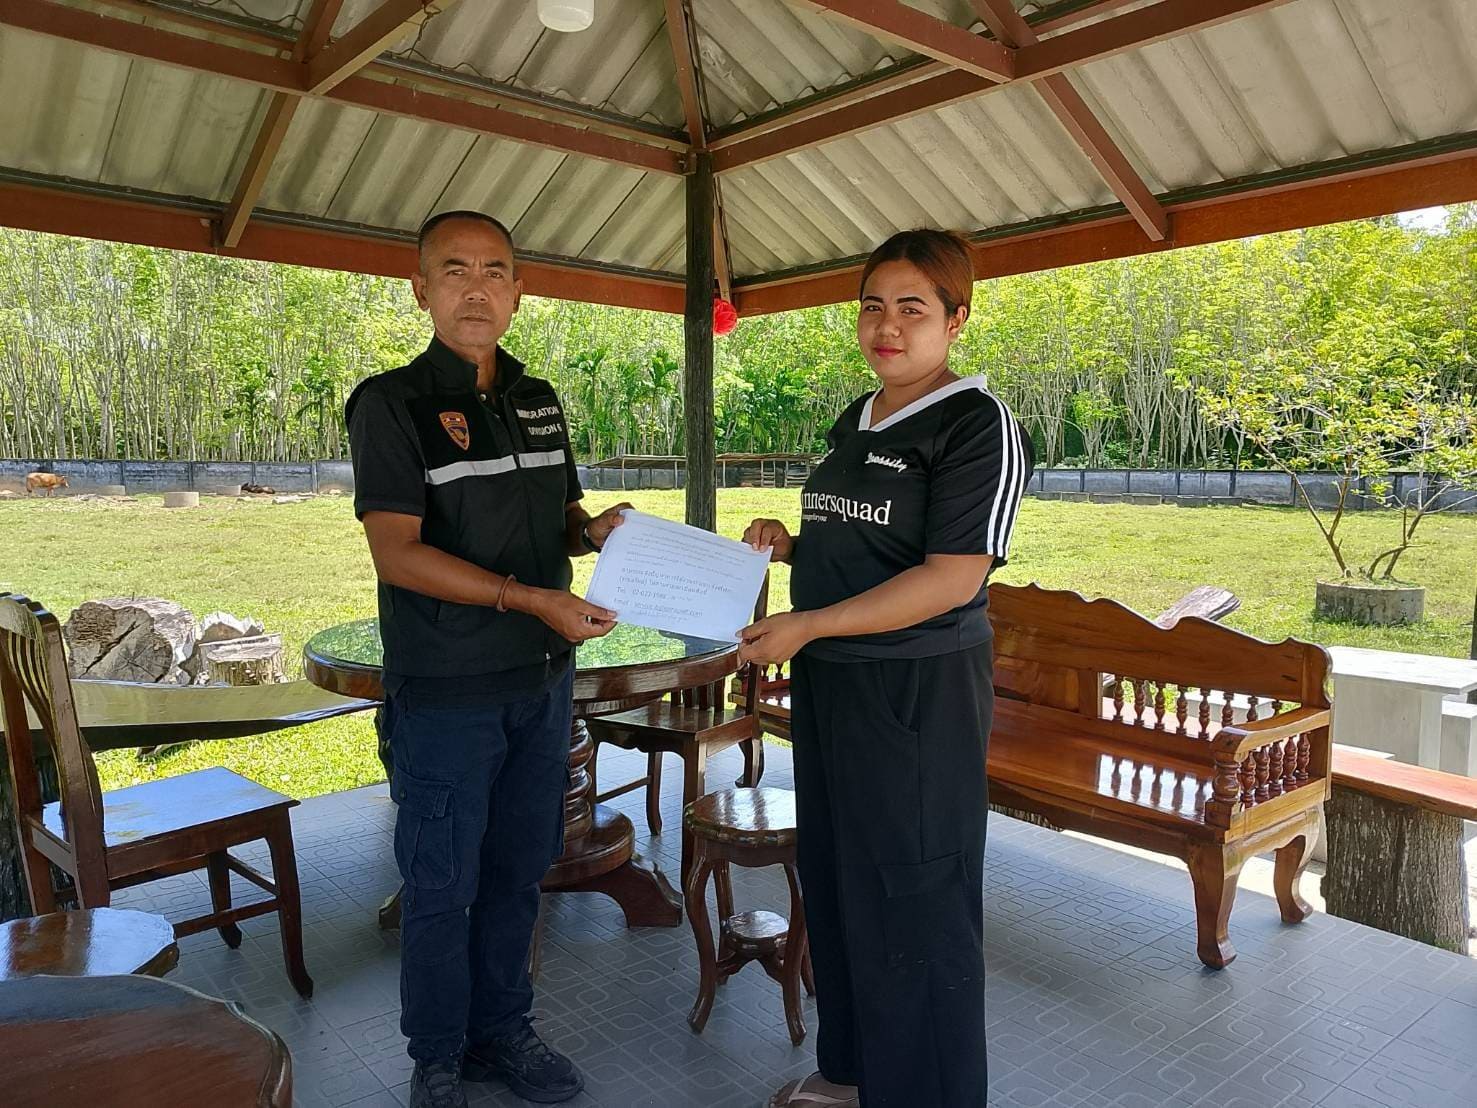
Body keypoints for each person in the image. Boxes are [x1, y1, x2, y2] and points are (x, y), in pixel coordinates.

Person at [739, 229, 1032, 1108]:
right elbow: (864, 544)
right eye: (872, 307)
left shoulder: (975, 423)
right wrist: (792, 548)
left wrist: (810, 623)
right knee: (839, 877)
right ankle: (854, 1071)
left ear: (956, 319)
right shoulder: (857, 418)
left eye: (913, 308)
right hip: (833, 682)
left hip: (914, 692)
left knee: (917, 892)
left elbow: (951, 577)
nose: (887, 327)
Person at [345, 210, 631, 1108]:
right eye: (455, 270)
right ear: (420, 289)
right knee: (441, 884)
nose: (477, 289)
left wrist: (593, 531)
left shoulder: (538, 398)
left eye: (494, 271)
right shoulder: (390, 404)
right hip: (446, 694)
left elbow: (558, 519)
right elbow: (398, 553)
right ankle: (436, 1056)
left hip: (540, 685)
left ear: (518, 289)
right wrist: (529, 599)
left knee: (517, 874)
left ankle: (504, 1031)